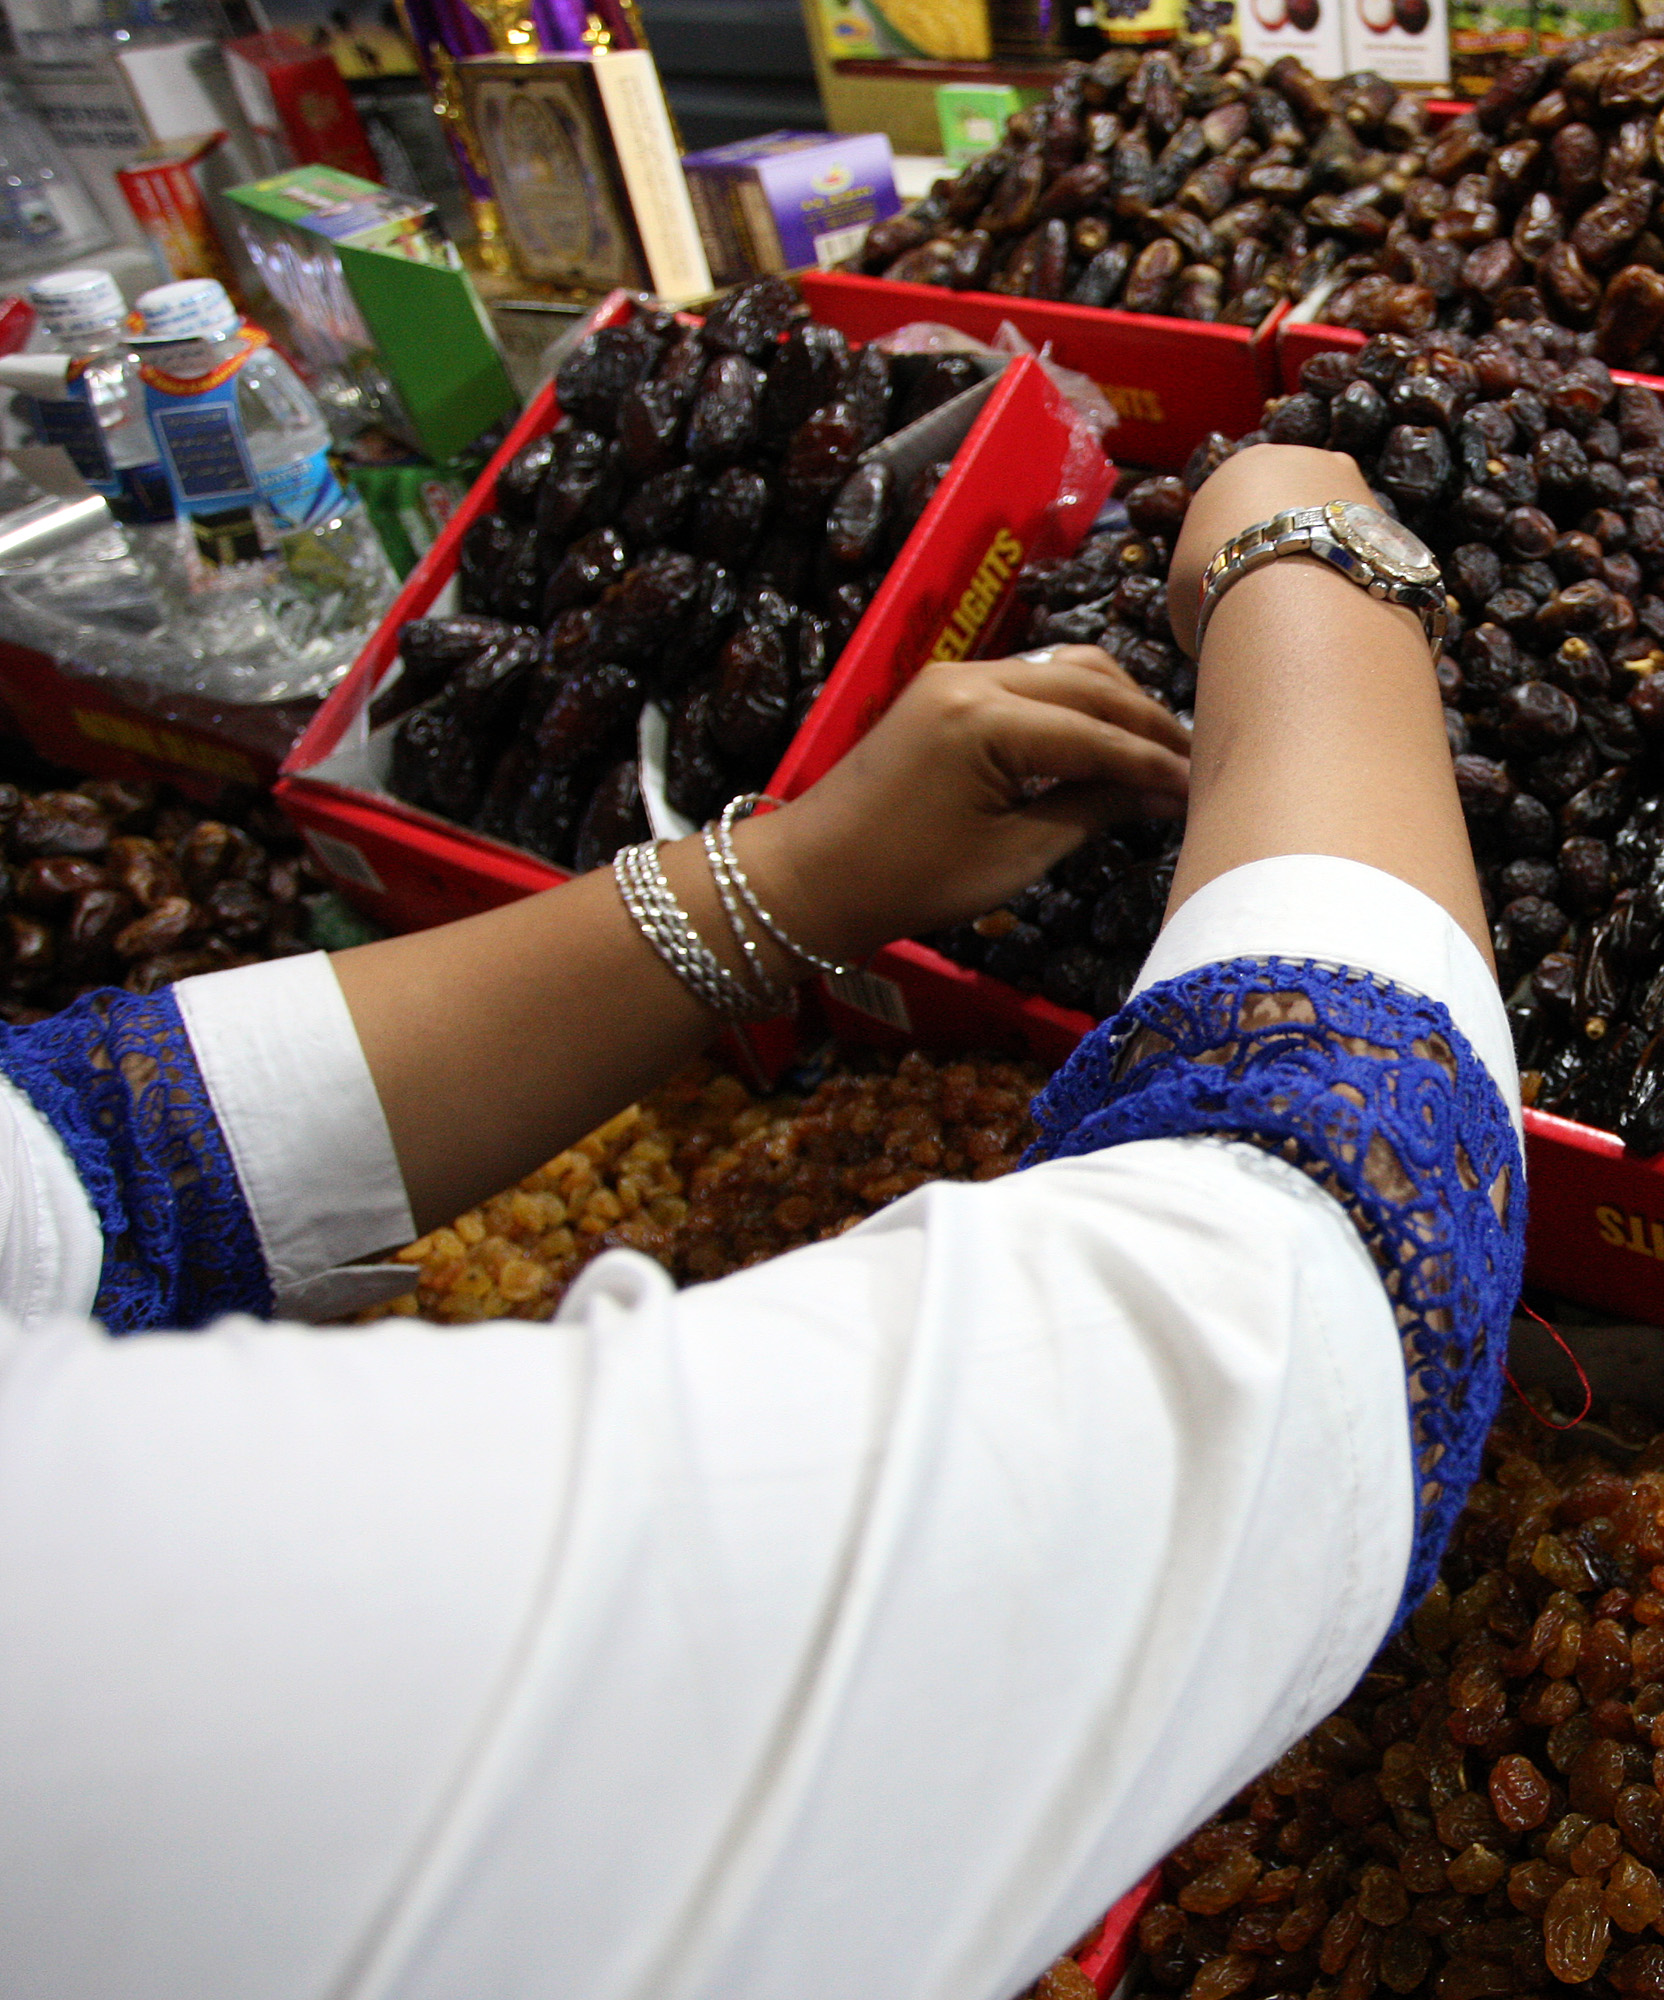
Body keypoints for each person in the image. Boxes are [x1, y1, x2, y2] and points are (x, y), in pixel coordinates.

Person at [0, 443, 1522, 2000]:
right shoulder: (104, 1660)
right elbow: (1308, 1304)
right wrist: (1313, 570)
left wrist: (781, 881)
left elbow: (100, 1160)